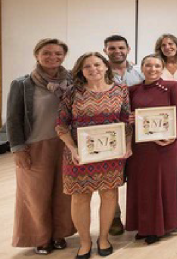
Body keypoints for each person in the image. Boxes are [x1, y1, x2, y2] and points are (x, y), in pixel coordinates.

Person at [56, 52, 132, 258]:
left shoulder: (120, 90)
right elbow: (61, 124)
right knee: (80, 198)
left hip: (111, 154)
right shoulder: (72, 92)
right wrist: (72, 149)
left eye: (97, 64)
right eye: (87, 66)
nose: (93, 69)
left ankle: (104, 238)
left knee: (109, 195)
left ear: (106, 66)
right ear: (81, 71)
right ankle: (85, 242)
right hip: (79, 155)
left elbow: (126, 120)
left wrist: (127, 144)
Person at [7, 38, 75, 254]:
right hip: (35, 146)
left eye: (58, 53)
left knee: (64, 193)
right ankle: (41, 237)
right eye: (47, 52)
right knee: (35, 195)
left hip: (66, 144)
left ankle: (59, 233)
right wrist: (18, 149)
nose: (53, 57)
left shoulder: (72, 80)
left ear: (64, 56)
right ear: (37, 55)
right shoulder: (22, 84)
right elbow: (13, 118)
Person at [126, 55, 177, 244]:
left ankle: (160, 227)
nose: (152, 69)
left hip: (165, 145)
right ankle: (144, 225)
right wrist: (130, 118)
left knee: (162, 185)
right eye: (148, 65)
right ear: (142, 68)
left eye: (157, 66)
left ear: (162, 68)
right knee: (142, 186)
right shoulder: (132, 90)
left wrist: (172, 136)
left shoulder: (172, 86)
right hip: (141, 146)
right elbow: (127, 115)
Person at [103, 34, 142, 235]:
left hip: (138, 133)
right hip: (110, 132)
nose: (117, 51)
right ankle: (114, 217)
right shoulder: (100, 73)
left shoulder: (139, 74)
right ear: (105, 51)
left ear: (128, 50)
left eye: (121, 48)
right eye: (112, 48)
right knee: (111, 179)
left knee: (138, 176)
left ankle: (138, 214)